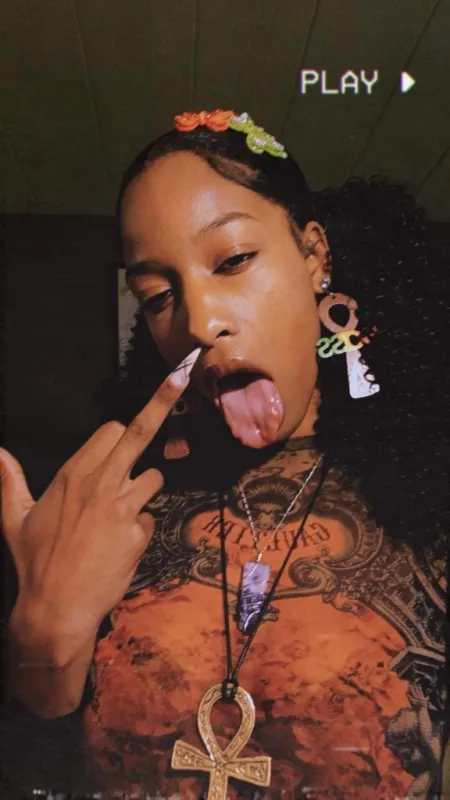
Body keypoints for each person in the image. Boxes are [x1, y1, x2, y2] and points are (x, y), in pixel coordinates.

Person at [1, 109, 448, 800]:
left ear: (314, 257)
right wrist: (40, 640)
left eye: (234, 261)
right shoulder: (114, 509)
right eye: (157, 297)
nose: (199, 321)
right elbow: (41, 759)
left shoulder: (430, 490)